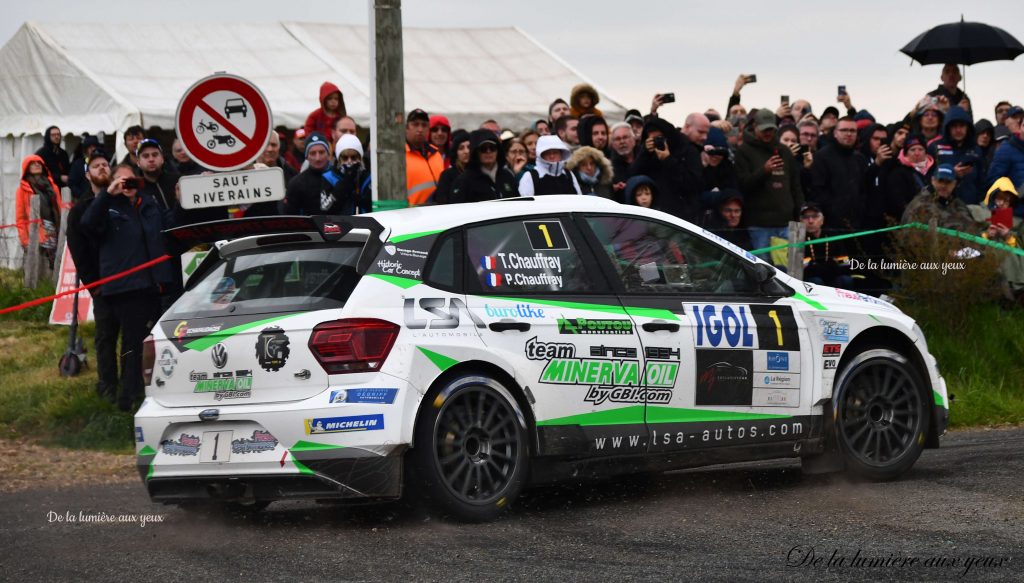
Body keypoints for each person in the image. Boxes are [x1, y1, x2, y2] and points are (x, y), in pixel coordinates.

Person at [81, 163, 176, 412]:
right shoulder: (107, 207)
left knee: (149, 342)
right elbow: (88, 225)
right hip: (125, 287)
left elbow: (168, 228)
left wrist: (179, 202)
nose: (127, 186)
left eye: (131, 180)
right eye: (121, 181)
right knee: (131, 344)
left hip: (154, 284)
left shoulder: (149, 203)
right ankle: (128, 397)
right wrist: (107, 194)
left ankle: (147, 390)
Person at [66, 148, 121, 403]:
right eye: (96, 166)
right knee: (105, 338)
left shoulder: (121, 201)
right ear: (87, 174)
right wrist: (93, 285)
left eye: (105, 165)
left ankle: (132, 388)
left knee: (133, 337)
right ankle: (107, 386)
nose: (102, 169)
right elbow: (78, 251)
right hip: (103, 285)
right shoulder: (79, 210)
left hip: (129, 281)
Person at [734, 109, 803, 251]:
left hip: (787, 222)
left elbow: (795, 185)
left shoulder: (784, 151)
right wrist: (764, 171)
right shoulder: (743, 151)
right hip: (759, 225)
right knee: (763, 270)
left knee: (792, 270)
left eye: (771, 129)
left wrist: (800, 213)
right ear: (755, 127)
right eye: (764, 129)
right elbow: (743, 185)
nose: (768, 133)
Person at [628, 116, 702, 222]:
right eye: (653, 139)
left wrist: (668, 160)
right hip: (654, 216)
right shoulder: (647, 154)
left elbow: (693, 184)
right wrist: (644, 153)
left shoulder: (689, 151)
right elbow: (633, 178)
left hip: (682, 217)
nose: (658, 142)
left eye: (660, 138)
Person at [810, 116, 867, 230]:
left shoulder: (859, 158)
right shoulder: (822, 157)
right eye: (844, 130)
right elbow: (818, 190)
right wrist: (834, 210)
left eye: (852, 131)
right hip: (831, 225)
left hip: (856, 223)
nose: (849, 134)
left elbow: (864, 189)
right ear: (835, 133)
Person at [927, 106, 985, 205]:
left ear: (968, 127)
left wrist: (980, 201)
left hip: (971, 206)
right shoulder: (935, 147)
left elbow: (982, 180)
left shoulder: (976, 150)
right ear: (948, 128)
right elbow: (927, 176)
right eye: (954, 126)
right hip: (941, 206)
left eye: (962, 125)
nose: (958, 130)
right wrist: (951, 173)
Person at [282, 132, 347, 214]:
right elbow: (290, 216)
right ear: (306, 156)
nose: (318, 158)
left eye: (321, 152)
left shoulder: (339, 178)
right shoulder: (296, 183)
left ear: (328, 154)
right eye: (313, 153)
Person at [15, 153, 62, 265]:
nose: (37, 165)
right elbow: (20, 217)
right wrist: (25, 240)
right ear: (27, 168)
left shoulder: (52, 187)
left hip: (54, 230)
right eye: (33, 163)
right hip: (34, 232)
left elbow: (60, 209)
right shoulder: (22, 190)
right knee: (37, 266)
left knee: (55, 266)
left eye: (39, 163)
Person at [450, 129, 519, 203]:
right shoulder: (464, 181)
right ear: (476, 152)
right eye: (483, 149)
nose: (488, 151)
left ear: (497, 150)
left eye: (492, 148)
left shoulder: (507, 176)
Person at [901, 164, 976, 232]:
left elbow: (972, 227)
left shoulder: (958, 204)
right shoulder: (920, 205)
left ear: (954, 184)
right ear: (933, 180)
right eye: (940, 181)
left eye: (948, 182)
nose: (943, 186)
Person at [799, 202, 854, 289]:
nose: (810, 221)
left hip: (833, 276)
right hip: (810, 281)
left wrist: (829, 269)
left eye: (815, 216)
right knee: (816, 281)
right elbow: (800, 270)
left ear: (822, 220)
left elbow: (845, 264)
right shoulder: (798, 239)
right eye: (806, 217)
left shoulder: (833, 235)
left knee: (846, 280)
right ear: (801, 221)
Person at [884, 134, 935, 222]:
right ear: (906, 153)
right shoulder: (898, 173)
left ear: (926, 152)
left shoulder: (935, 170)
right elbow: (897, 201)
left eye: (920, 149)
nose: (917, 153)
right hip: (910, 221)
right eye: (912, 150)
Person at [404, 109, 445, 206]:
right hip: (412, 215)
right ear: (407, 128)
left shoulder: (436, 153)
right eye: (415, 124)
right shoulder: (400, 156)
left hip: (438, 212)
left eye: (424, 125)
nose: (420, 129)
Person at [332, 134, 373, 214]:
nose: (349, 161)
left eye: (354, 157)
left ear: (360, 158)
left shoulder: (369, 177)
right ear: (339, 159)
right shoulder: (330, 176)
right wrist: (346, 181)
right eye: (345, 157)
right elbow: (328, 209)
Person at [433, 130, 471, 205]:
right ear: (456, 153)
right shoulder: (447, 175)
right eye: (461, 148)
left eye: (469, 147)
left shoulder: (479, 172)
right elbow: (442, 201)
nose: (466, 151)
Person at [69, 135, 101, 200]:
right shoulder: (78, 164)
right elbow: (72, 184)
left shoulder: (102, 163)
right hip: (84, 199)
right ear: (86, 150)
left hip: (100, 198)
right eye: (90, 147)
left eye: (94, 146)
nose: (93, 149)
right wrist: (82, 196)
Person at [609, 121, 637, 192]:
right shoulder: (609, 167)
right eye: (618, 139)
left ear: (633, 140)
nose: (622, 142)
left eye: (625, 137)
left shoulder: (645, 158)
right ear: (613, 144)